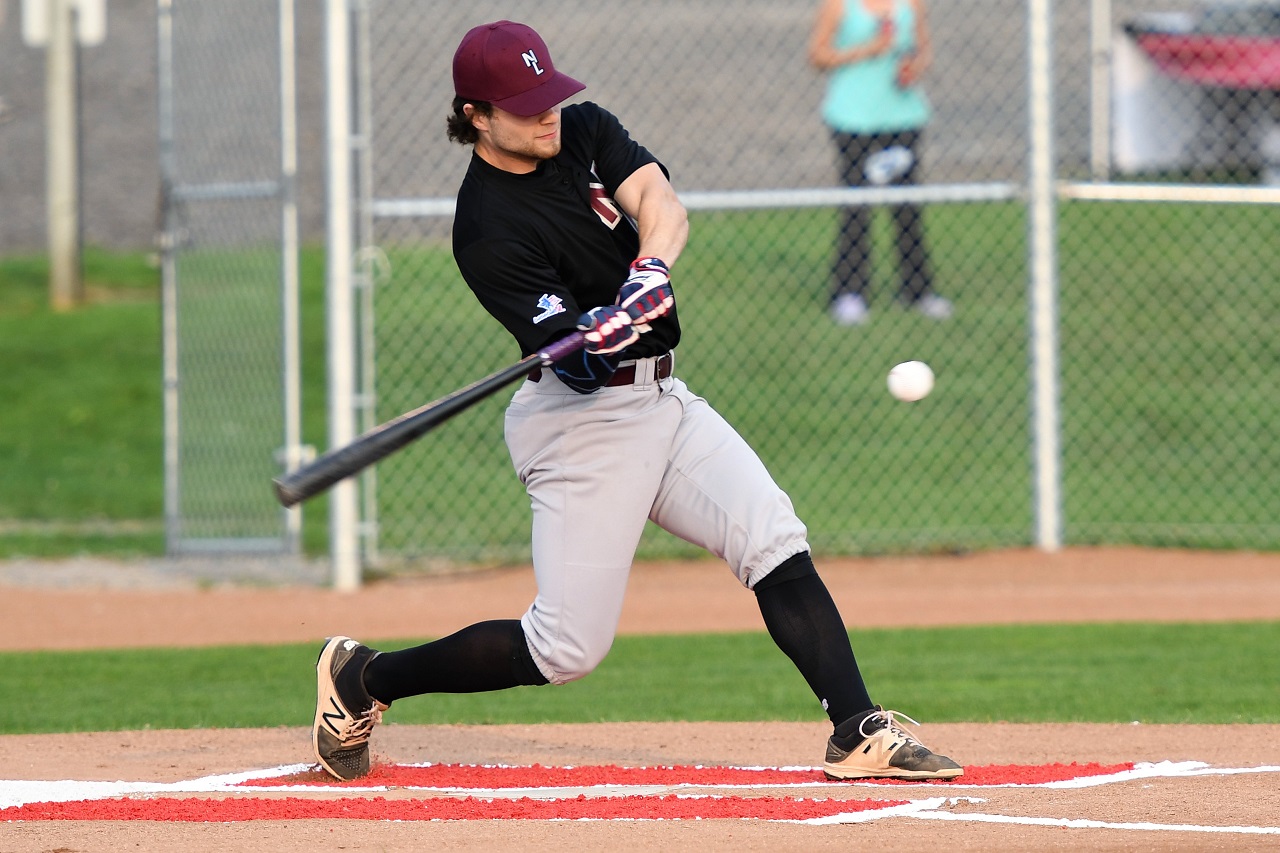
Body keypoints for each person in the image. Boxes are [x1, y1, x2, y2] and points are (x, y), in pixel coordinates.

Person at [310, 19, 962, 785]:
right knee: (564, 649)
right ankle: (364, 677)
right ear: (476, 116)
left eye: (548, 94)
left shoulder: (583, 129)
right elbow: (582, 369)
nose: (547, 113)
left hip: (662, 398)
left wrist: (648, 268)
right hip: (579, 425)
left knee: (772, 537)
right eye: (524, 106)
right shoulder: (487, 228)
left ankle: (857, 729)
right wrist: (601, 330)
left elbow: (660, 200)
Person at [809, 0, 952, 326]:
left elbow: (923, 50)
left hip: (902, 117)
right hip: (853, 119)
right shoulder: (839, 6)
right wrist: (868, 50)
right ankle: (850, 293)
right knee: (856, 207)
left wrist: (914, 67)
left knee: (907, 206)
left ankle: (918, 291)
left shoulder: (910, 4)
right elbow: (818, 55)